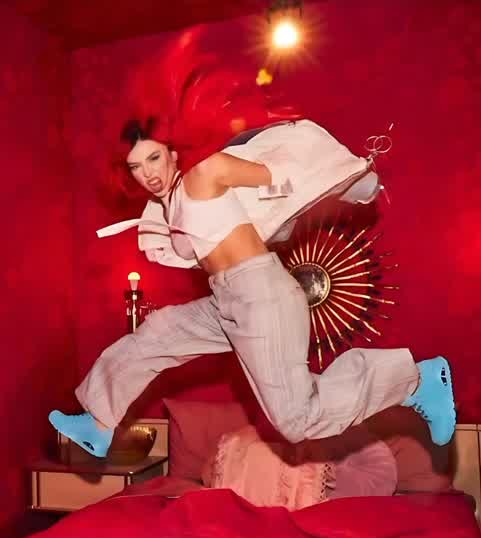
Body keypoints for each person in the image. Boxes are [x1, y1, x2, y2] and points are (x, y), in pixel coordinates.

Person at [48, 33, 456, 458]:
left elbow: (273, 176)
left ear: (172, 152)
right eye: (136, 166)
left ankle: (418, 379)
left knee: (297, 420)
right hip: (227, 298)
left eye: (154, 158)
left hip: (261, 292)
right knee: (155, 336)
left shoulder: (204, 173)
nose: (147, 173)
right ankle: (98, 423)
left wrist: (314, 186)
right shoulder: (168, 206)